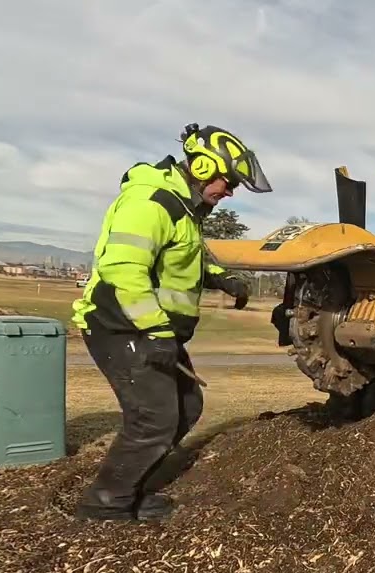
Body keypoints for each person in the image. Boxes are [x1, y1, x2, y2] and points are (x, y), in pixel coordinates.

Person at [70, 124, 272, 522]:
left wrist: (220, 276)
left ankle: (132, 489)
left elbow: (187, 254)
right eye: (227, 182)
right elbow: (124, 269)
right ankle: (103, 506)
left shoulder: (183, 209)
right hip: (122, 328)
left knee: (187, 406)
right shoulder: (151, 202)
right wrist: (157, 332)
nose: (229, 192)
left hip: (151, 331)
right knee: (154, 418)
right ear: (201, 166)